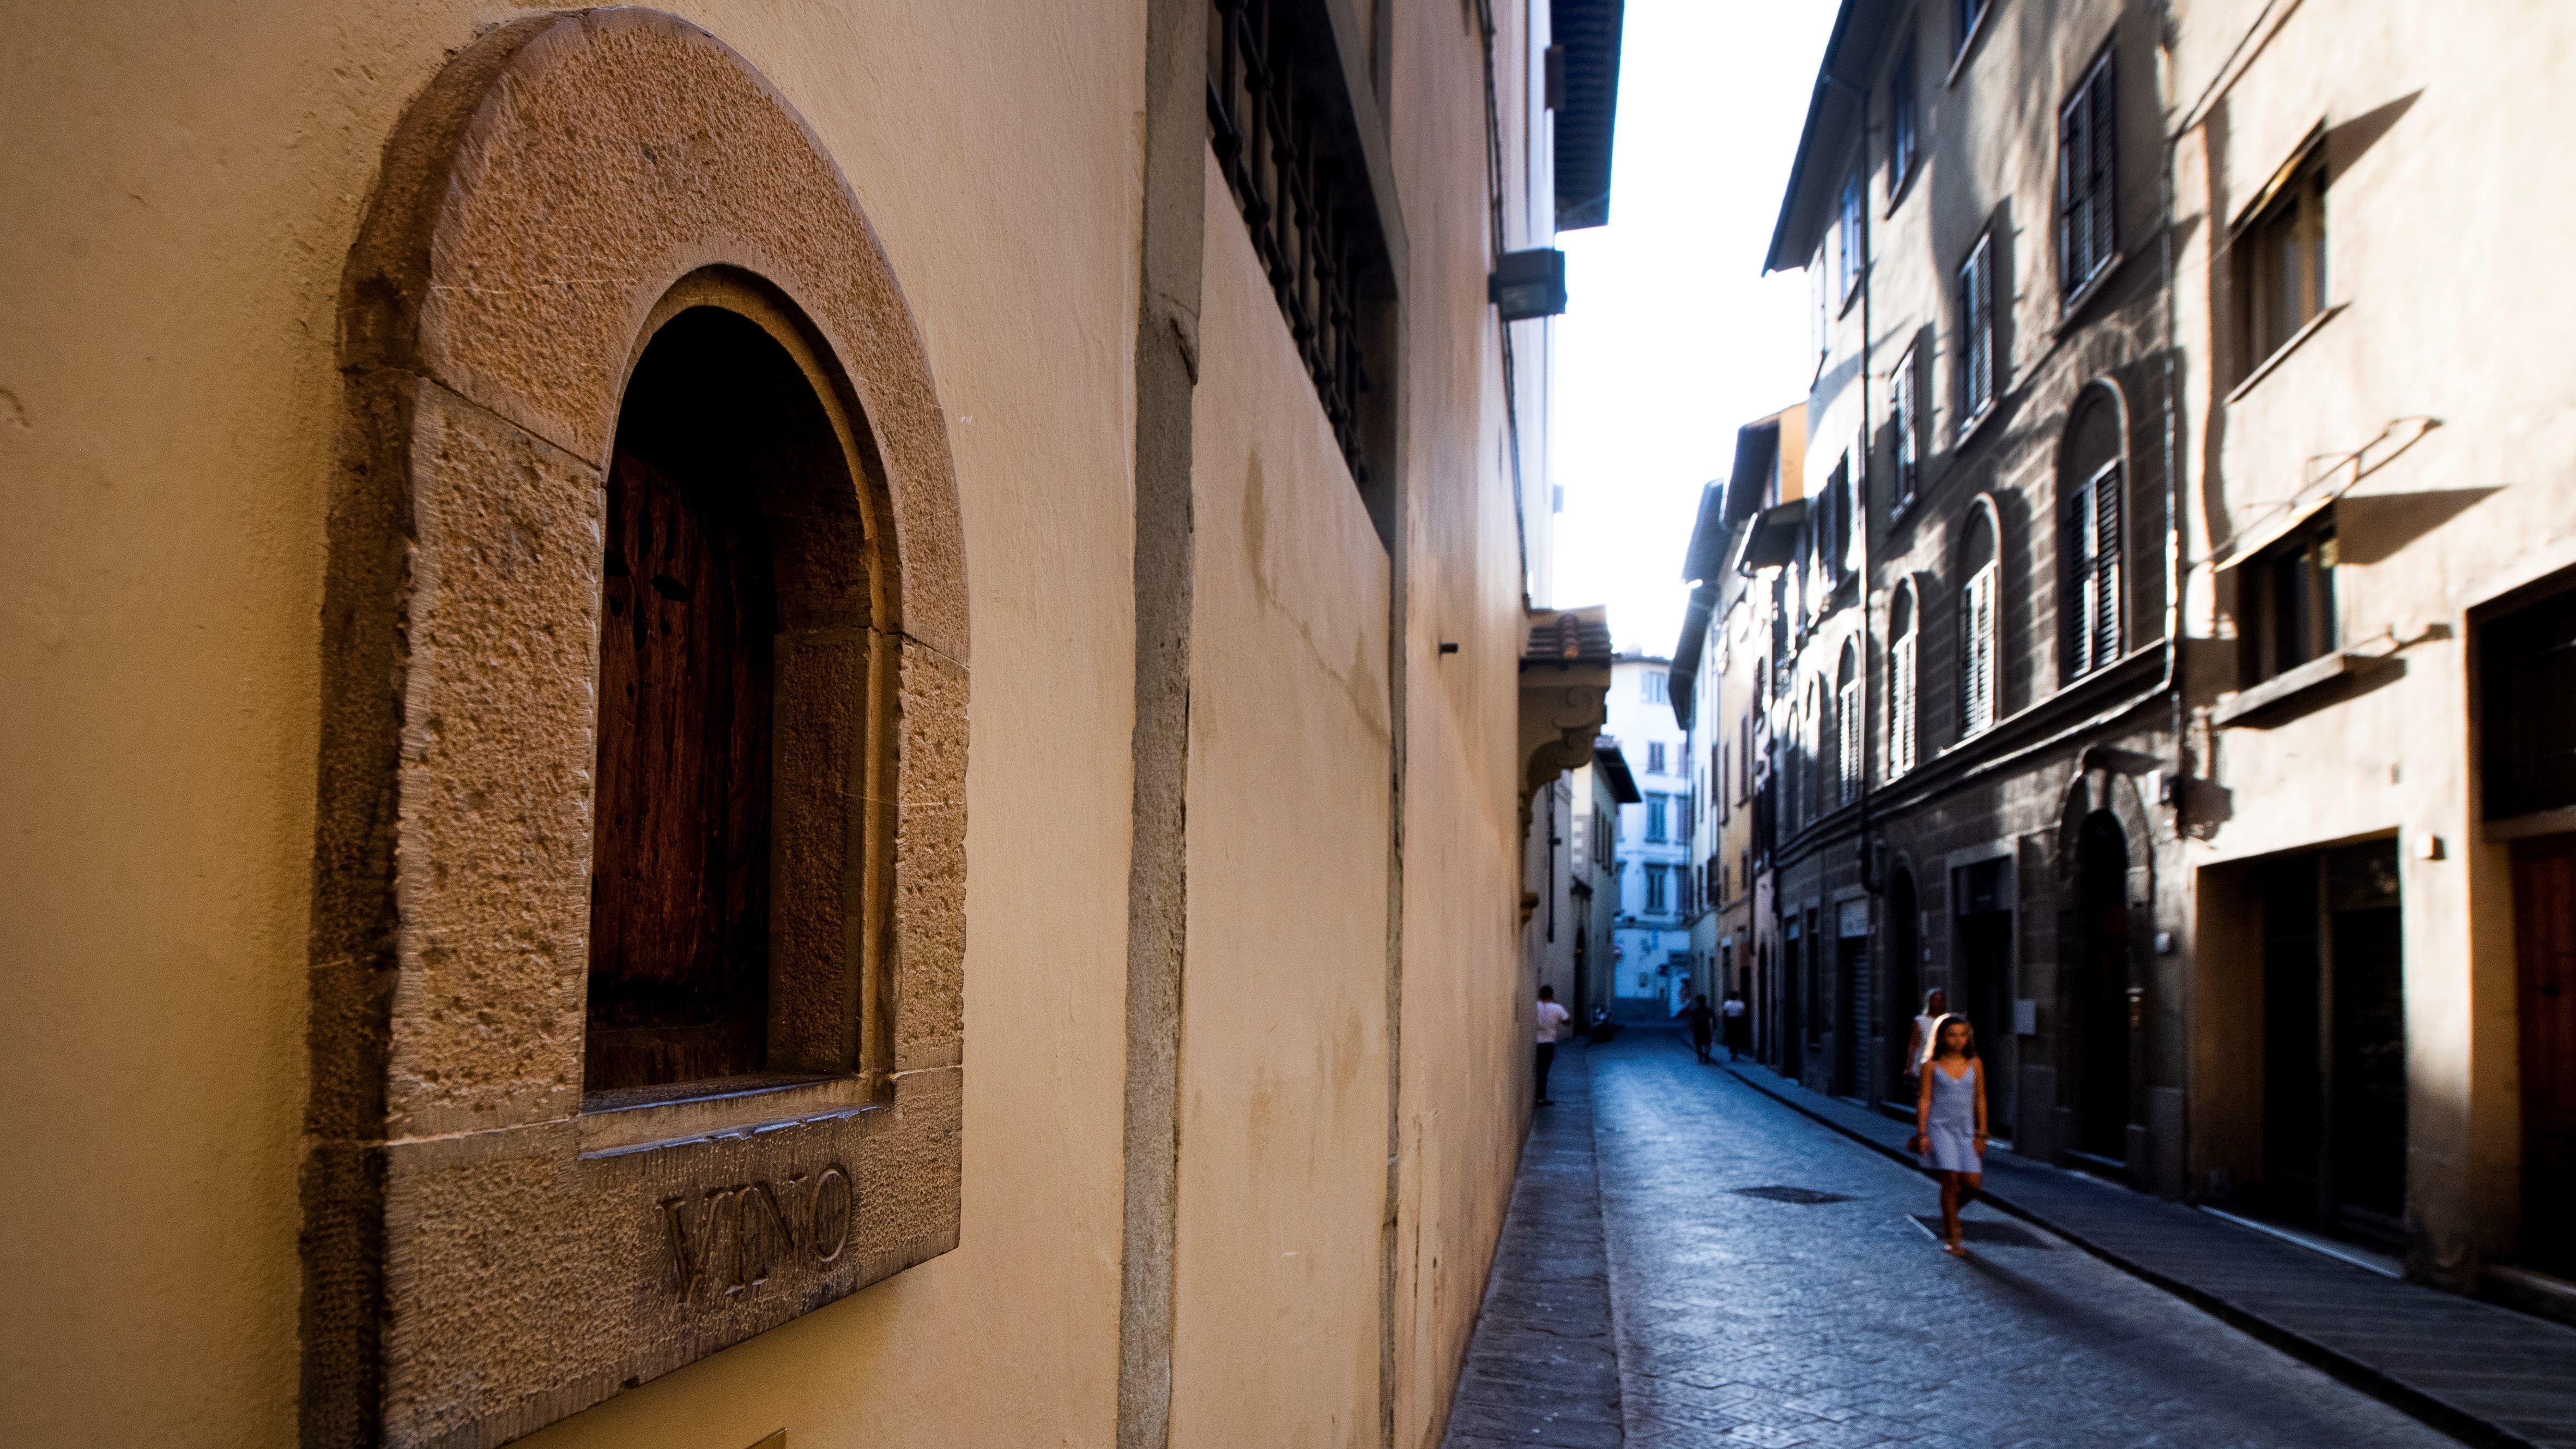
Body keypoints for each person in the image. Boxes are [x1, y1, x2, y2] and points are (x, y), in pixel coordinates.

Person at [1911, 1015, 1988, 1257]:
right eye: (1952, 1035)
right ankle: (1953, 1236)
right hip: (1940, 1128)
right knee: (1951, 1180)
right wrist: (1922, 1133)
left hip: (1966, 1130)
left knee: (1972, 1185)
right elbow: (1924, 1100)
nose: (1958, 1040)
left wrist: (1982, 1133)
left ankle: (1950, 1212)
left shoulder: (1975, 1064)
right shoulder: (1930, 1065)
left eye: (1963, 1035)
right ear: (1942, 1037)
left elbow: (1981, 1099)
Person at [1902, 989, 1948, 1096]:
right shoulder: (1921, 1021)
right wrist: (1909, 1066)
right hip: (1924, 1064)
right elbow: (1914, 1044)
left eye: (1941, 1001)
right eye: (1935, 1000)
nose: (1938, 1004)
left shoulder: (1947, 1021)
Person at [1534, 985, 1570, 1106]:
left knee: (1539, 1070)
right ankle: (1541, 1098)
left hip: (1536, 1043)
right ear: (1552, 995)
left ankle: (1539, 1096)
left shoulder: (1536, 1006)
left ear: (1540, 994)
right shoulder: (1557, 1008)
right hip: (1549, 1044)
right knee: (1544, 1071)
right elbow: (1567, 1022)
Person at [1684, 993, 1717, 1064]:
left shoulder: (1695, 1010)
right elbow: (1714, 1019)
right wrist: (1714, 1027)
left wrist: (1691, 1028)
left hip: (1698, 1029)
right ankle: (1707, 1055)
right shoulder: (1708, 1010)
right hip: (1706, 1028)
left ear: (1697, 1001)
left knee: (1698, 1043)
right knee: (1707, 1043)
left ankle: (1700, 1056)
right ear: (1705, 1001)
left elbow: (1691, 1020)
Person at [1720, 990, 1749, 1062]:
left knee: (1731, 1036)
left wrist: (1726, 1021)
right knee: (1738, 1036)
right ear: (1737, 997)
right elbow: (1742, 1013)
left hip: (1730, 1021)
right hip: (1738, 1021)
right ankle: (1736, 1050)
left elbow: (1726, 1013)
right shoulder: (1741, 1004)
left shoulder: (1727, 1003)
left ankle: (1732, 1050)